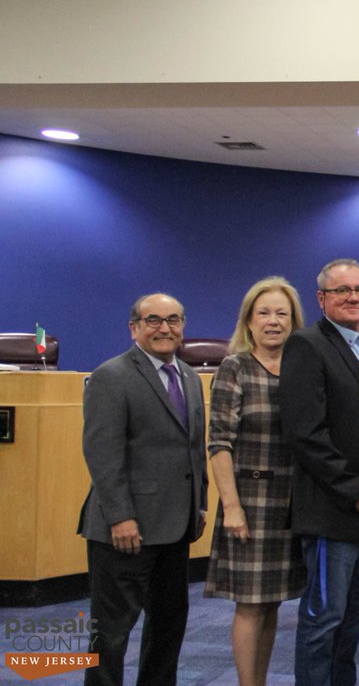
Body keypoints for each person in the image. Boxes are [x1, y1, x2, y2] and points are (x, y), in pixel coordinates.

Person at [279, 259, 359, 686]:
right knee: (323, 618)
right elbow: (304, 433)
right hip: (335, 510)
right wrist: (352, 489)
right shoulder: (307, 346)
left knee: (358, 612)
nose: (353, 297)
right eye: (342, 290)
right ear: (322, 299)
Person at [78, 293, 208, 686]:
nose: (164, 328)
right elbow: (103, 453)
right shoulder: (111, 375)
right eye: (153, 320)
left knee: (168, 628)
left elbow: (193, 449)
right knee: (112, 634)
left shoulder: (188, 375)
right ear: (133, 327)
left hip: (176, 527)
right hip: (125, 531)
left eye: (173, 320)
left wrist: (198, 506)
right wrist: (120, 516)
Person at [205, 277, 307, 686]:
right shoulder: (235, 367)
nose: (273, 321)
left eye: (282, 313)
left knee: (272, 603)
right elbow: (219, 443)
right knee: (249, 605)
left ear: (293, 321)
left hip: (292, 501)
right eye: (263, 313)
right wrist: (231, 507)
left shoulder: (301, 368)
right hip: (249, 500)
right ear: (248, 321)